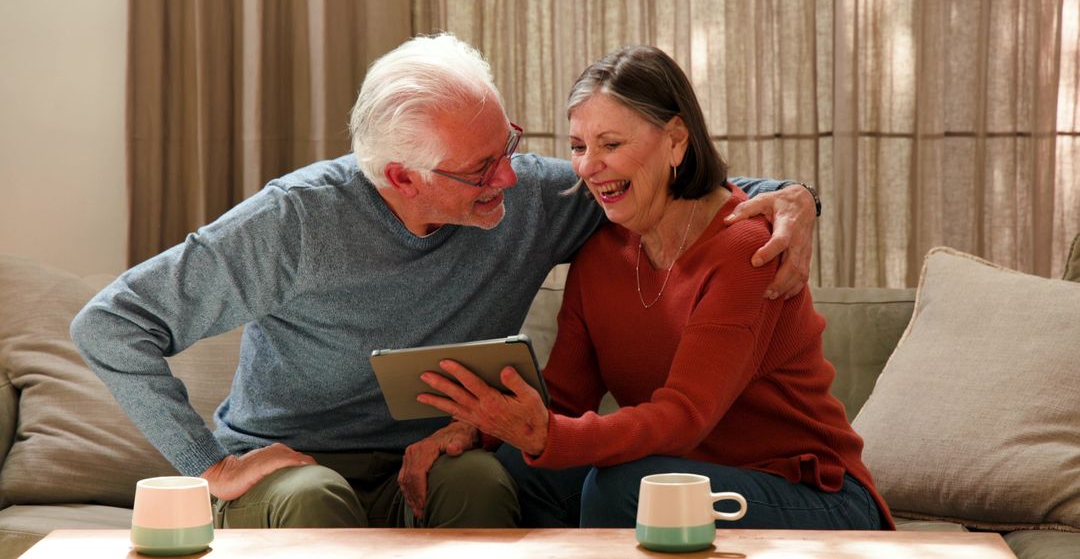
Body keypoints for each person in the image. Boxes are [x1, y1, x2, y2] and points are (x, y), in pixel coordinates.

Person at [70, 34, 818, 530]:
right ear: (401, 176)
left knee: (488, 489)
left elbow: (667, 188)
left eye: (511, 148)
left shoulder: (525, 194)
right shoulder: (293, 222)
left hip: (439, 452)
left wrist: (792, 195)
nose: (510, 177)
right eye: (480, 169)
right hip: (296, 459)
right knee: (314, 502)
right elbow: (110, 323)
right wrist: (215, 465)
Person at [415, 45, 894, 530]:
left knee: (626, 489)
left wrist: (546, 436)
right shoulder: (600, 253)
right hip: (686, 470)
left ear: (676, 141)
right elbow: (561, 402)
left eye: (611, 144)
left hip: (810, 493)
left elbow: (685, 415)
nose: (587, 166)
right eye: (579, 146)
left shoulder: (748, 250)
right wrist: (478, 428)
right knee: (520, 474)